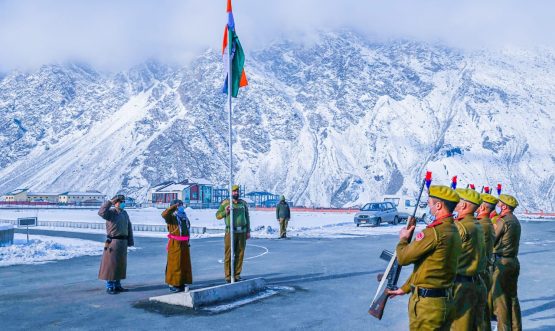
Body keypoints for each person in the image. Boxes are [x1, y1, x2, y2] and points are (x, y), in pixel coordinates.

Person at [389, 185, 462, 330]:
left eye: (430, 203)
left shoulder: (434, 232)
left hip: (427, 306)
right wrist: (405, 288)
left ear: (439, 205)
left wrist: (404, 239)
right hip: (445, 301)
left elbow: (403, 258)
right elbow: (429, 267)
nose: (429, 207)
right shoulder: (454, 229)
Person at [451, 188, 487, 331]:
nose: (454, 203)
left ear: (464, 205)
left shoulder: (460, 226)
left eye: (457, 201)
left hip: (461, 285)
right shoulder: (477, 224)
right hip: (476, 282)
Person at [492, 194, 522, 330]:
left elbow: (493, 239)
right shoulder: (515, 220)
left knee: (501, 301)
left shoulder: (502, 221)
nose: (498, 206)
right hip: (513, 261)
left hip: (501, 263)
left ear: (504, 206)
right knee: (513, 299)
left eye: (499, 204)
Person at [98, 194, 134, 294]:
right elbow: (101, 212)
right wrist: (110, 202)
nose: (123, 203)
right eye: (121, 202)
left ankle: (118, 285)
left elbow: (129, 227)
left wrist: (130, 240)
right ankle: (110, 286)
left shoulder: (124, 213)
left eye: (123, 201)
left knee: (120, 265)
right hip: (113, 241)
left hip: (123, 242)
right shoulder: (111, 213)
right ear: (116, 203)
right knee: (110, 265)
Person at [216, 185, 251, 283]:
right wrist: (225, 211)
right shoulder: (226, 203)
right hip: (230, 232)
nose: (236, 193)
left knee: (240, 254)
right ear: (230, 192)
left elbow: (247, 217)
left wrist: (248, 231)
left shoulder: (243, 203)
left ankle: (237, 275)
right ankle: (228, 276)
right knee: (229, 254)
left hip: (242, 232)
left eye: (237, 191)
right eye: (234, 191)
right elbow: (218, 215)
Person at [477, 193, 499, 330]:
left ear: (484, 207)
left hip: (482, 267)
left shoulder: (483, 225)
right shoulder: (486, 223)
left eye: (479, 205)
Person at [162, 199, 193, 293]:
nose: (181, 207)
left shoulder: (184, 217)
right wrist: (173, 206)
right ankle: (173, 283)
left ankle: (182, 282)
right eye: (179, 205)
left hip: (184, 243)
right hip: (175, 242)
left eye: (181, 205)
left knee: (184, 264)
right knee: (174, 264)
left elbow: (186, 229)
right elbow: (164, 214)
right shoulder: (171, 217)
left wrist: (188, 240)